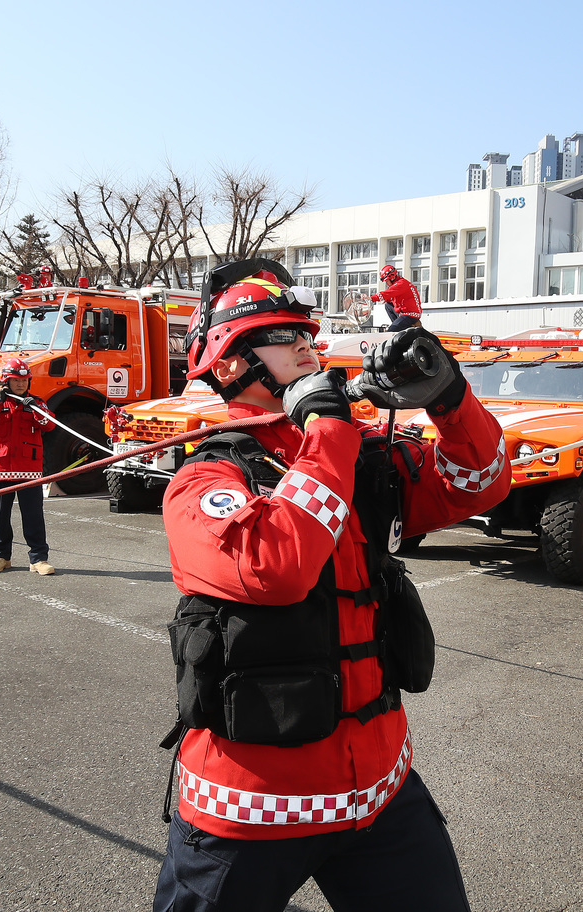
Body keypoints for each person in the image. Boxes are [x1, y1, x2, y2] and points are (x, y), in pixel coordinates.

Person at [154, 258, 509, 912]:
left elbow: (479, 483)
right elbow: (276, 565)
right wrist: (328, 433)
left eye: (307, 332)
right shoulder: (204, 481)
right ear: (230, 362)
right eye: (282, 334)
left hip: (379, 794)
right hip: (248, 810)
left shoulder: (353, 452)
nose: (306, 345)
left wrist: (449, 396)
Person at [0, 358, 57, 575]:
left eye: (24, 380)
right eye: (15, 380)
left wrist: (36, 409)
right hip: (1, 468)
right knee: (1, 516)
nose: (20, 384)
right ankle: (1, 556)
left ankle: (38, 559)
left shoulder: (37, 402)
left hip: (30, 469)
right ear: (6, 381)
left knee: (33, 515)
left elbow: (50, 425)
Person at [370, 263, 423, 330]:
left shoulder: (401, 284)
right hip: (404, 312)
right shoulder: (399, 284)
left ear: (391, 278)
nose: (386, 283)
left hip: (410, 314)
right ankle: (398, 325)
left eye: (387, 281)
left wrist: (371, 298)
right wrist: (386, 299)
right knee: (388, 305)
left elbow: (388, 293)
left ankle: (396, 328)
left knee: (392, 330)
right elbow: (393, 296)